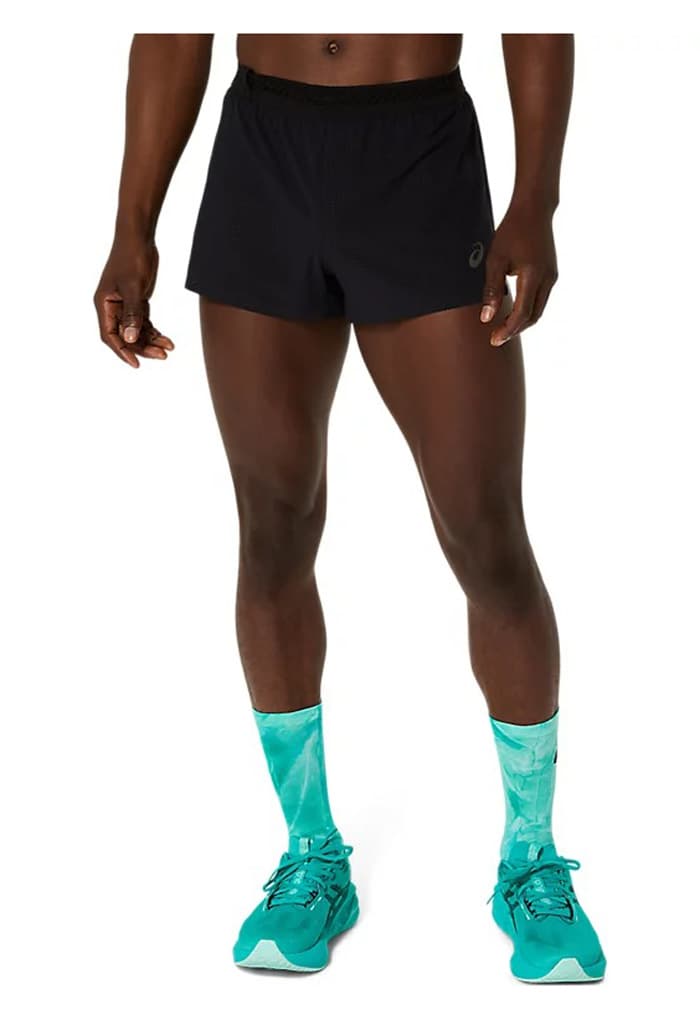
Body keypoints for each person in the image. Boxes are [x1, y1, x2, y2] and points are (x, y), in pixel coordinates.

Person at [94, 33, 606, 983]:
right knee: (273, 528)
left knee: (486, 536)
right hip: (263, 157)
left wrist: (535, 199)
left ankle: (531, 861)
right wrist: (133, 224)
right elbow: (173, 23)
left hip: (418, 151)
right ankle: (313, 857)